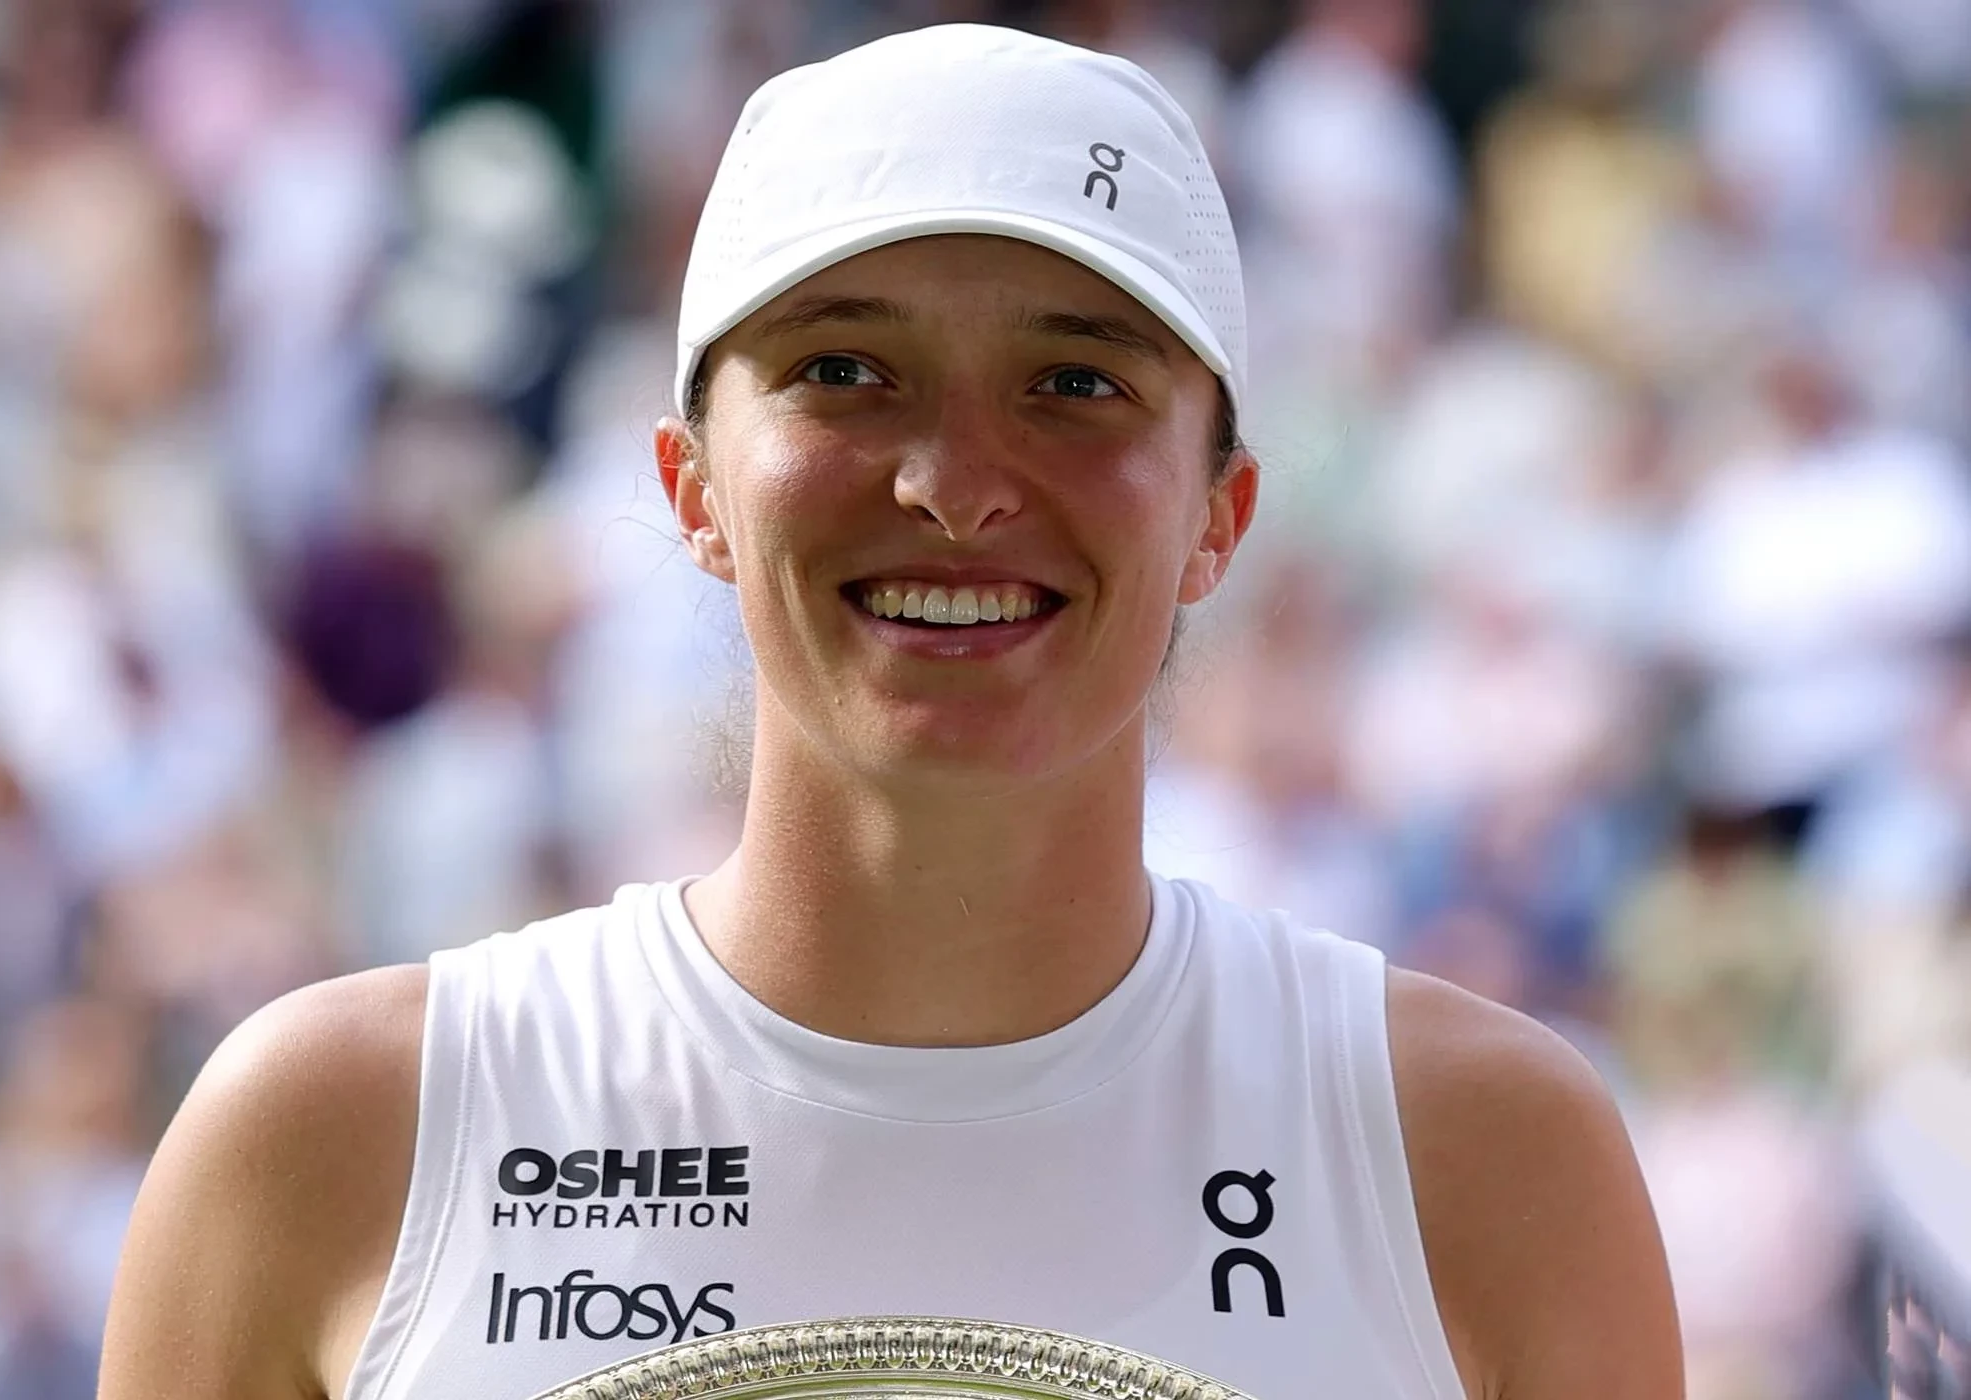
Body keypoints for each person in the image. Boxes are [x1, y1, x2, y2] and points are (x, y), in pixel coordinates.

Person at [97, 25, 1683, 1400]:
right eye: (846, 371)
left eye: (1075, 384)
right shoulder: (326, 1136)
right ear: (691, 489)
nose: (956, 485)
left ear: (1220, 513)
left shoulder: (1483, 1158)